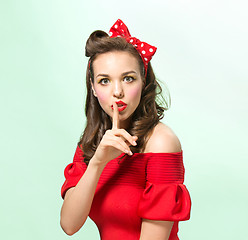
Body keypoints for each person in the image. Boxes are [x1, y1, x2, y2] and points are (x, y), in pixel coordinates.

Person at [60, 19, 192, 240]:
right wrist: (98, 162)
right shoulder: (92, 142)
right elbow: (69, 225)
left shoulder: (161, 142)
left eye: (128, 79)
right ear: (93, 88)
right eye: (104, 81)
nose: (117, 91)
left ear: (144, 81)